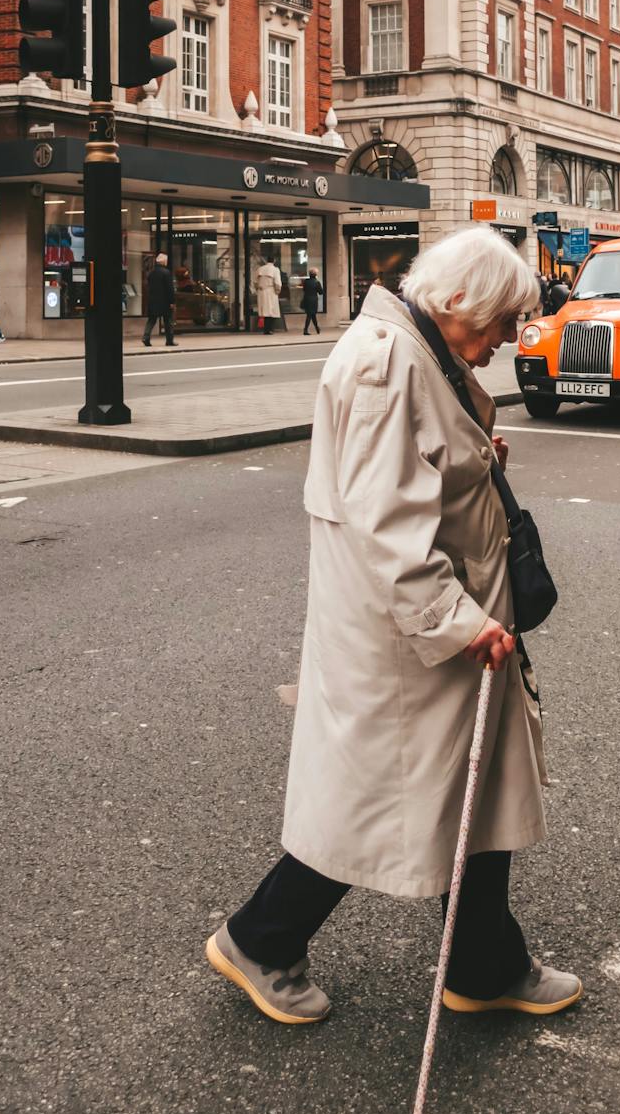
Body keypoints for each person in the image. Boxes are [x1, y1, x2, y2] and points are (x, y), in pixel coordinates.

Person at [207, 227, 581, 1027]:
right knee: (382, 794)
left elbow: (417, 472)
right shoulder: (387, 362)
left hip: (429, 625)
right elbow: (385, 523)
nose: (506, 342)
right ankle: (262, 938)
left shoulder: (418, 348)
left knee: (472, 789)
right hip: (410, 636)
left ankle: (484, 962)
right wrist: (456, 620)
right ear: (453, 302)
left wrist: (478, 460)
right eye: (500, 323)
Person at [142, 253, 177, 347]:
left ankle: (146, 337)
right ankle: (169, 340)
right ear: (163, 262)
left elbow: (147, 286)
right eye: (166, 260)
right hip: (164, 301)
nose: (167, 262)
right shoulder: (166, 273)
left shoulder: (151, 273)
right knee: (168, 321)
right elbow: (170, 289)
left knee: (151, 320)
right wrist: (172, 302)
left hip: (153, 300)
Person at [255, 254, 282, 334]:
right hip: (271, 291)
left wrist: (258, 289)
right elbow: (277, 283)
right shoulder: (275, 270)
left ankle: (266, 329)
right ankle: (270, 329)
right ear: (274, 261)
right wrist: (278, 291)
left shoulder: (260, 269)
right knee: (272, 311)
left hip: (261, 291)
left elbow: (255, 282)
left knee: (264, 311)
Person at [300, 267, 324, 335]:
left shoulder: (306, 281)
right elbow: (321, 292)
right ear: (316, 274)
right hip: (313, 300)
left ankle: (317, 328)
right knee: (310, 315)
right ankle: (305, 330)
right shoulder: (317, 282)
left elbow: (304, 289)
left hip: (306, 299)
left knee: (312, 315)